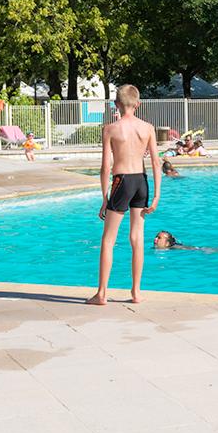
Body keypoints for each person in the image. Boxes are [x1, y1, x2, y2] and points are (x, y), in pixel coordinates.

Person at [89, 84, 162, 306]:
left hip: (122, 181)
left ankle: (101, 294)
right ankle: (136, 292)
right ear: (138, 104)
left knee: (108, 239)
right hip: (141, 181)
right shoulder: (147, 128)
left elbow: (105, 167)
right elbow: (156, 162)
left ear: (116, 104)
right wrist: (157, 194)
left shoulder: (111, 129)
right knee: (137, 238)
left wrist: (104, 196)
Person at [153, 231, 218, 253]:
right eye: (156, 237)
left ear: (167, 243)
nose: (155, 239)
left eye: (159, 238)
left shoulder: (176, 247)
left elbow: (194, 249)